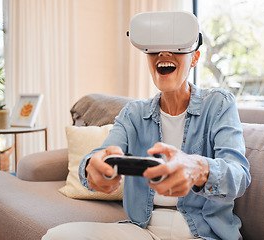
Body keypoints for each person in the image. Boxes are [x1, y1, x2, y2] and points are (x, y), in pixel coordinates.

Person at [42, 11, 251, 240]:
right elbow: (101, 155)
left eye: (176, 46)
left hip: (204, 233)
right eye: (154, 48)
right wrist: (93, 167)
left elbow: (239, 177)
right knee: (57, 236)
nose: (163, 53)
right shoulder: (133, 114)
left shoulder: (219, 104)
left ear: (195, 57)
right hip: (143, 230)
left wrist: (198, 169)